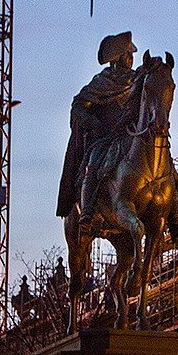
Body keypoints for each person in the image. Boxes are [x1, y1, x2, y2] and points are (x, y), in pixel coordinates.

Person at [57, 31, 142, 220]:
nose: (131, 58)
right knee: (93, 165)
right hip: (106, 137)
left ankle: (174, 219)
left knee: (161, 159)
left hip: (132, 134)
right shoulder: (102, 82)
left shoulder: (138, 80)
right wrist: (92, 122)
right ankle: (87, 211)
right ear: (118, 57)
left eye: (132, 55)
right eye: (128, 54)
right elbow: (78, 106)